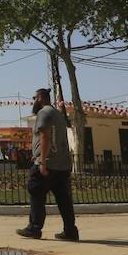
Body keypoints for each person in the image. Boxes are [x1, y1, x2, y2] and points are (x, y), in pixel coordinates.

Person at [17, 88, 78, 241]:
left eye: (34, 97)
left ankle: (34, 228)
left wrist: (42, 161)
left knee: (36, 193)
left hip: (47, 164)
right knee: (64, 200)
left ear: (41, 98)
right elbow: (60, 139)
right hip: (62, 165)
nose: (33, 101)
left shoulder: (44, 113)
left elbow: (45, 137)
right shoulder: (58, 114)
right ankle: (71, 231)